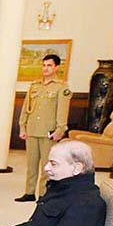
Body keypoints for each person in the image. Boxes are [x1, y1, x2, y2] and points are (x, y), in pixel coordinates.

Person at [16, 53, 72, 202]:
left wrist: (60, 130)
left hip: (49, 133)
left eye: (49, 65)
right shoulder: (34, 86)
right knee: (31, 164)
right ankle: (29, 192)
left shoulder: (62, 88)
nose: (45, 69)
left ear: (57, 67)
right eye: (44, 65)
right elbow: (26, 108)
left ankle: (43, 194)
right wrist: (22, 126)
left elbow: (62, 111)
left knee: (47, 166)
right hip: (32, 131)